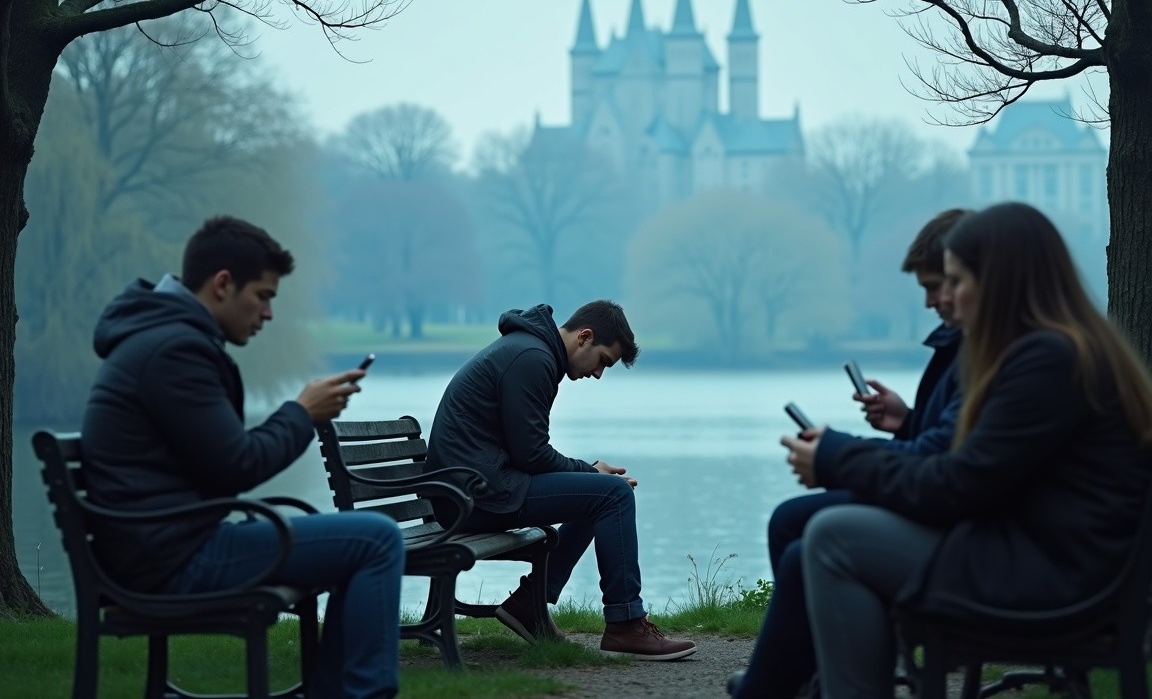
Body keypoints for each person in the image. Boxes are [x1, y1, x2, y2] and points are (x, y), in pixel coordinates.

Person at [789, 202, 1152, 699]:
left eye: (956, 281)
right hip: (1055, 555)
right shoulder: (1062, 348)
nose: (949, 300)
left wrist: (834, 456)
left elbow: (958, 485)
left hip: (1055, 579)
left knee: (834, 534)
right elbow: (973, 470)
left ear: (999, 280)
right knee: (833, 529)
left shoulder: (1045, 361)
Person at [81, 216, 404, 699]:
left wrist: (300, 414)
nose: (269, 313)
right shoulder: (175, 351)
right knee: (376, 538)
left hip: (163, 545)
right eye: (264, 295)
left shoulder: (163, 339)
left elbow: (221, 468)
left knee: (366, 539)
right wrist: (301, 413)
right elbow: (238, 466)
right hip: (173, 560)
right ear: (223, 284)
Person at [729, 208, 968, 699]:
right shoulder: (980, 346)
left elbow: (948, 464)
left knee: (812, 535)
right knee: (794, 522)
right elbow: (953, 441)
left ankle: (792, 678)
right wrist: (906, 422)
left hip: (974, 535)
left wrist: (836, 454)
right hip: (971, 519)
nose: (931, 301)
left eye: (943, 283)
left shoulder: (1005, 353)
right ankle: (810, 668)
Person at [424, 300, 697, 661]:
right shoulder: (532, 358)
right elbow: (533, 455)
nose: (599, 374)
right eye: (603, 361)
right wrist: (589, 471)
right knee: (612, 495)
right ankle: (626, 624)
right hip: (478, 496)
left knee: (601, 493)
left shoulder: (531, 351)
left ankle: (529, 603)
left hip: (475, 489)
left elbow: (528, 451)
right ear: (584, 337)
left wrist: (588, 473)